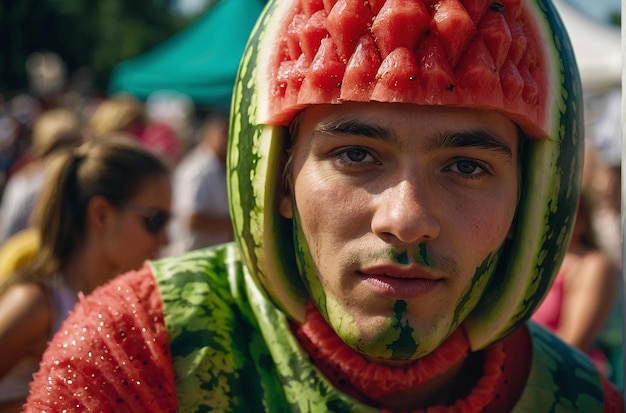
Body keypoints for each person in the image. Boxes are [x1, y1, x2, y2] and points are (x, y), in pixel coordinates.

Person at [24, 0, 624, 411]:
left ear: (531, 196)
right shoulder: (135, 353)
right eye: (356, 155)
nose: (405, 217)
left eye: (467, 166)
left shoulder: (581, 398)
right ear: (280, 179)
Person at [0, 135, 172, 412]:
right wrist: (66, 398)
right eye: (155, 220)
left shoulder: (119, 301)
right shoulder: (35, 303)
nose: (165, 239)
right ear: (101, 214)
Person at [532, 193, 619, 376]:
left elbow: (572, 344)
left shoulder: (593, 265)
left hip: (564, 380)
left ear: (582, 219)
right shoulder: (534, 264)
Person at [0, 107, 82, 243]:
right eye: (58, 147)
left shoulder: (85, 182)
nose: (64, 154)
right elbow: (8, 235)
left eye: (71, 145)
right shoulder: (25, 184)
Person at [164, 111, 232, 256]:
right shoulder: (199, 168)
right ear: (209, 136)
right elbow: (190, 217)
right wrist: (229, 225)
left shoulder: (215, 165)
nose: (228, 140)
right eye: (224, 134)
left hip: (205, 254)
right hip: (188, 254)